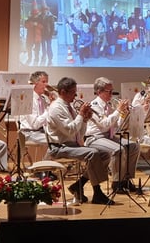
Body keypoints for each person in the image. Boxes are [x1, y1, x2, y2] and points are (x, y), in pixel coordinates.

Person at [45, 77, 113, 205]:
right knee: (92, 153)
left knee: (105, 154)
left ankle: (79, 184)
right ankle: (97, 192)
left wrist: (85, 120)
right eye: (73, 93)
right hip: (59, 147)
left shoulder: (68, 107)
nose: (75, 96)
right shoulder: (56, 108)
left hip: (72, 145)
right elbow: (70, 131)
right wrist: (81, 115)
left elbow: (79, 134)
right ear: (63, 92)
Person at [86, 77, 140, 195]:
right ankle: (117, 182)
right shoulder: (94, 106)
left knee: (133, 146)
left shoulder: (109, 105)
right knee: (118, 150)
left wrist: (123, 114)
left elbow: (117, 126)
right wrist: (118, 111)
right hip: (95, 138)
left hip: (108, 136)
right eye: (108, 91)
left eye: (112, 91)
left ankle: (126, 179)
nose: (111, 94)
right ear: (99, 92)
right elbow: (104, 125)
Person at [18, 71, 52, 146]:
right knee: (54, 140)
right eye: (43, 82)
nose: (46, 85)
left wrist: (52, 104)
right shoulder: (28, 99)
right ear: (35, 84)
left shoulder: (43, 99)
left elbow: (46, 119)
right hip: (29, 133)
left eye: (47, 82)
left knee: (61, 138)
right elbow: (35, 124)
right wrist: (50, 109)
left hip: (41, 131)